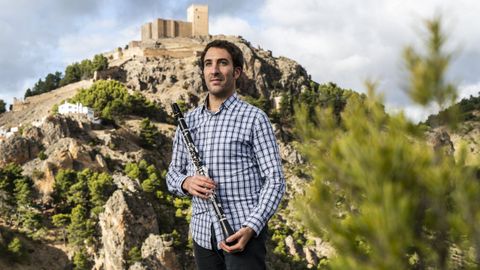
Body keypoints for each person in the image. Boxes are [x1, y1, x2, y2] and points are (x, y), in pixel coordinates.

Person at [166, 39, 285, 270]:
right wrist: (186, 182)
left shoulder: (254, 118)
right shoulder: (188, 121)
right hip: (202, 234)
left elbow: (276, 180)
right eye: (208, 64)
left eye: (222, 63)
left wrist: (252, 227)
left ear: (236, 71)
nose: (215, 70)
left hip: (242, 233)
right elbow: (172, 174)